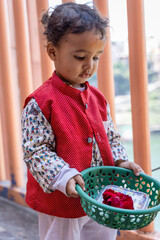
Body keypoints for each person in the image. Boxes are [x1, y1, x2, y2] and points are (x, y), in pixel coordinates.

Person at [21, 2, 144, 240]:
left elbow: (110, 136)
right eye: (80, 57)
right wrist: (64, 176)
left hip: (99, 196)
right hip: (63, 201)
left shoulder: (98, 98)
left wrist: (120, 160)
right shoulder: (41, 102)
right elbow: (35, 151)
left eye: (96, 57)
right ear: (53, 52)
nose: (89, 65)